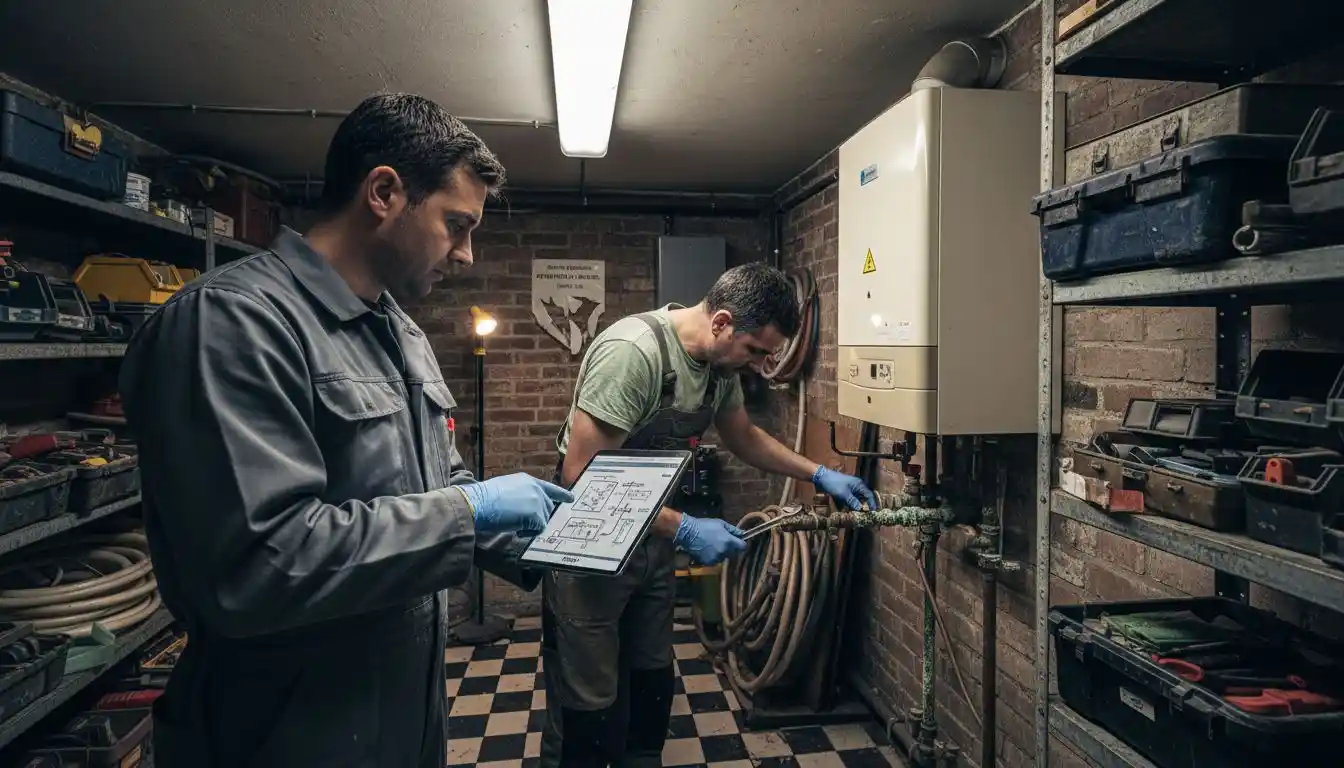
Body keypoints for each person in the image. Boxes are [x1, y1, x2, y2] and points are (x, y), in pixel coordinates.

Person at [120, 93, 573, 768]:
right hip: (282, 736)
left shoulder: (402, 333)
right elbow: (258, 564)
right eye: (457, 224)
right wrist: (466, 514)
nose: (468, 255)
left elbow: (437, 485)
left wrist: (549, 541)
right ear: (384, 193)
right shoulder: (232, 323)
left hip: (402, 721)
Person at [541, 262, 878, 767]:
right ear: (721, 322)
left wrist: (819, 473)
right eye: (756, 351)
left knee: (651, 672)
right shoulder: (635, 354)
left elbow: (742, 435)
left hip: (649, 538)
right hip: (592, 540)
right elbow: (581, 476)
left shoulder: (719, 369)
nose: (761, 364)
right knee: (589, 693)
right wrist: (685, 527)